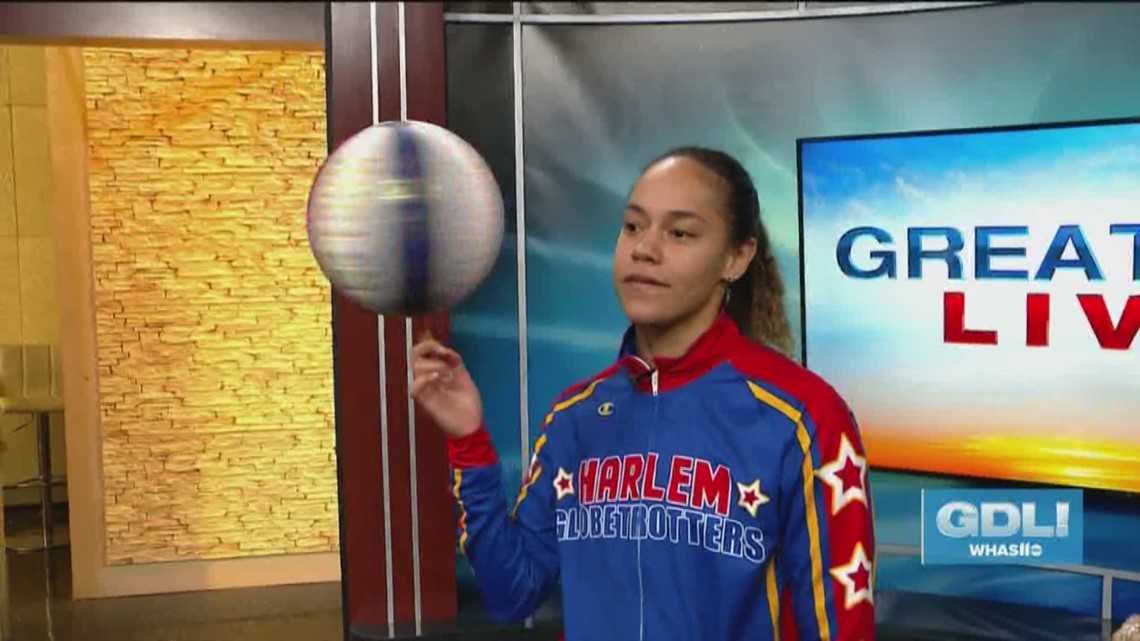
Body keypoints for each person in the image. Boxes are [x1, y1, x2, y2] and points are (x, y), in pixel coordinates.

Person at [411, 147, 876, 640]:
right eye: (633, 227)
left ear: (736, 258)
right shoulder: (576, 416)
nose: (644, 249)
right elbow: (512, 593)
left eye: (679, 233)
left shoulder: (803, 418)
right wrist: (469, 441)